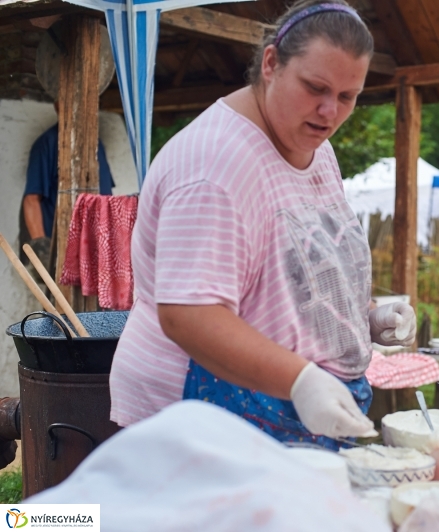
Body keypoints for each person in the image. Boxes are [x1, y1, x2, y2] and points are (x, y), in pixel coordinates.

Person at [109, 0, 416, 449]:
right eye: (315, 87)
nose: (330, 112)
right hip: (199, 415)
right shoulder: (214, 165)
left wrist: (365, 315)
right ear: (271, 63)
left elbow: (307, 264)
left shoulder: (314, 144)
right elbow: (189, 315)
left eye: (347, 96)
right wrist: (301, 380)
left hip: (279, 402)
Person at [19, 109, 114, 269]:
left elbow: (106, 199)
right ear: (58, 106)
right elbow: (31, 200)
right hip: (61, 253)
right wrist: (42, 249)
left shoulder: (97, 145)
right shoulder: (47, 144)